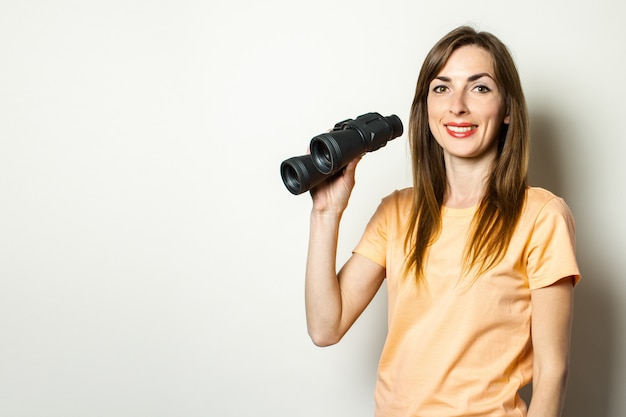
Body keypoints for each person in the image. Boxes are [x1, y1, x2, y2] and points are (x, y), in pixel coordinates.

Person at [304, 26, 580, 417]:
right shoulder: (397, 211)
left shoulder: (541, 216)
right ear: (426, 108)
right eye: (442, 88)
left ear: (507, 111)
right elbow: (324, 327)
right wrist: (325, 212)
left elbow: (553, 373)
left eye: (480, 88)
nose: (458, 106)